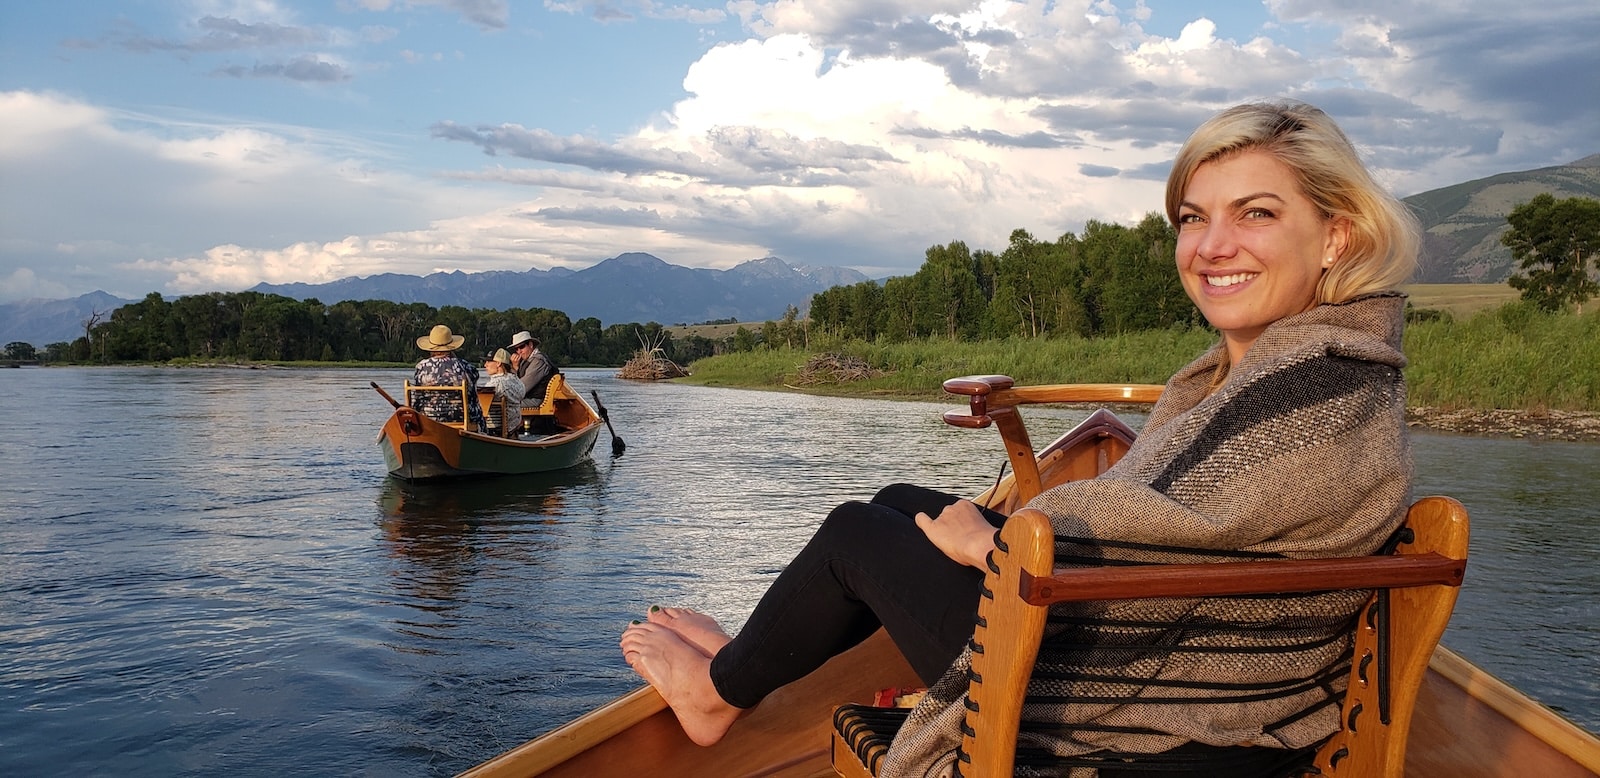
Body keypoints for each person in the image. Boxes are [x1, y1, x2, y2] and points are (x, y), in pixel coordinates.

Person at [619, 99, 1421, 777]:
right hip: (1175, 640)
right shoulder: (1308, 370)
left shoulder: (1316, 386)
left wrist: (998, 547)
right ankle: (747, 659)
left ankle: (716, 696)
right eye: (1193, 218)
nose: (1212, 246)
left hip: (1156, 707)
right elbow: (1197, 534)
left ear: (1336, 237)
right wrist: (1001, 542)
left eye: (1257, 213)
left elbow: (1193, 537)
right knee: (899, 502)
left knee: (854, 537)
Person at [411, 324, 485, 433]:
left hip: (429, 419)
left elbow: (417, 400)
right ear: (451, 347)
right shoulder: (464, 366)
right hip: (460, 418)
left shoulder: (421, 367)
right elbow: (473, 390)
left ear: (431, 348)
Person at [480, 348, 525, 437]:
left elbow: (481, 405)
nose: (485, 365)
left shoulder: (495, 384)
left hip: (495, 430)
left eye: (489, 362)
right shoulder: (518, 381)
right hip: (513, 428)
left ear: (498, 363)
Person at [507, 330, 559, 406]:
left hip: (536, 400)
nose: (519, 351)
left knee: (503, 405)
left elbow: (522, 388)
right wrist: (515, 367)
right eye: (516, 349)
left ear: (531, 345)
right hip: (527, 398)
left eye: (521, 347)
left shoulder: (538, 361)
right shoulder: (525, 361)